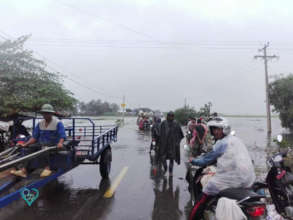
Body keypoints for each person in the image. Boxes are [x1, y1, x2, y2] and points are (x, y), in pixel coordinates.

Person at [188, 117, 255, 220]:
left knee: (203, 196)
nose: (215, 132)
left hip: (230, 181)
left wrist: (193, 160)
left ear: (224, 129)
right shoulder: (236, 140)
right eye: (214, 129)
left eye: (217, 129)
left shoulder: (221, 143)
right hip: (246, 179)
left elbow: (205, 160)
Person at [10, 104, 66, 178]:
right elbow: (34, 138)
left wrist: (60, 143)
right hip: (41, 143)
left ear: (51, 114)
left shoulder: (58, 123)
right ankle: (24, 170)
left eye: (47, 113)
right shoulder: (40, 124)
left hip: (53, 145)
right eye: (44, 113)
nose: (45, 115)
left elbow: (62, 135)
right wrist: (26, 144)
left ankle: (47, 168)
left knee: (44, 147)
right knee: (29, 148)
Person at [159, 111, 184, 177]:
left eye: (172, 116)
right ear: (167, 116)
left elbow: (181, 135)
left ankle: (170, 172)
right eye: (169, 116)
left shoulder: (176, 124)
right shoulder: (163, 123)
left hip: (172, 146)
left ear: (173, 116)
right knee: (163, 158)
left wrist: (177, 142)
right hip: (164, 145)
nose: (171, 117)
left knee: (171, 159)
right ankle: (165, 168)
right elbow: (159, 134)